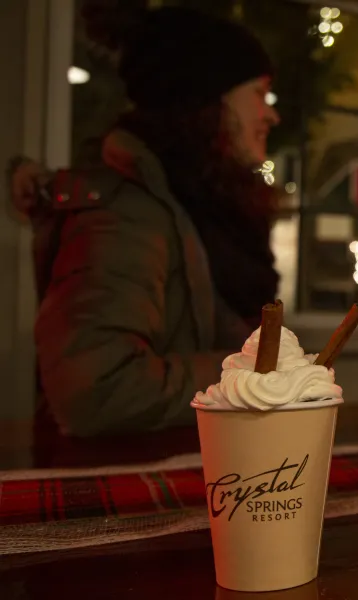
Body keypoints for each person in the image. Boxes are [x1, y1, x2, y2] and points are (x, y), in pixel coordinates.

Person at [7, 7, 280, 437]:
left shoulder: (201, 208)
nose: (271, 115)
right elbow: (97, 390)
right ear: (209, 99)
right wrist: (263, 375)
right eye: (259, 94)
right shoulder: (126, 211)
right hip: (122, 489)